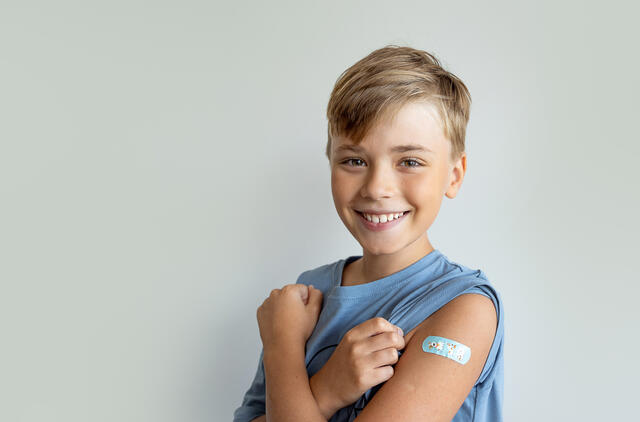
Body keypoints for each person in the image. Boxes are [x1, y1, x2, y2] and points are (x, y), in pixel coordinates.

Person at [232, 45, 505, 422]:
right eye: (354, 160)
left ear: (454, 175)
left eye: (410, 161)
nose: (377, 188)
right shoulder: (306, 294)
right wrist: (326, 389)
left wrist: (282, 350)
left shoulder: (463, 309)